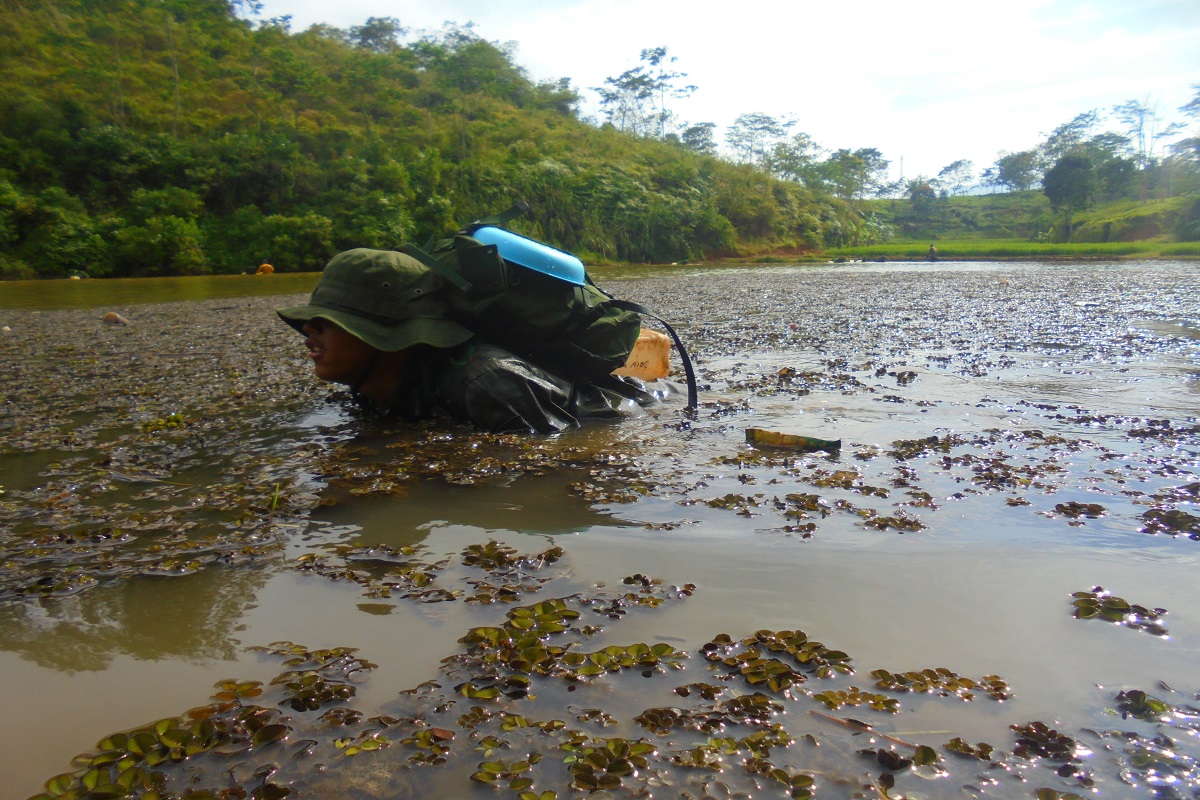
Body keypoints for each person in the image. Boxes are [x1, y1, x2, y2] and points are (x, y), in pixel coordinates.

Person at [276, 248, 661, 433]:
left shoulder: (489, 384)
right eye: (312, 319)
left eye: (327, 321)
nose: (310, 329)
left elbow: (563, 462)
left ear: (388, 333)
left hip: (638, 409)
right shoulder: (374, 385)